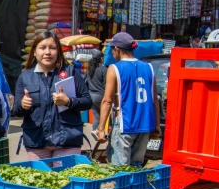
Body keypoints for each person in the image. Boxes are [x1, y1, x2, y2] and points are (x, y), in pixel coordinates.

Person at [13, 31, 92, 160]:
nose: (48, 52)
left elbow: (87, 101)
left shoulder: (70, 72)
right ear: (34, 51)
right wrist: (23, 105)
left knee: (65, 179)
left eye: (52, 48)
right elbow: (16, 111)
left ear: (58, 52)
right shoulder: (25, 77)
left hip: (67, 140)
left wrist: (68, 101)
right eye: (42, 48)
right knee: (42, 180)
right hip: (37, 142)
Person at [97, 32, 161, 166]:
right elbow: (154, 99)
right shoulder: (149, 67)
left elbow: (107, 100)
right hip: (145, 124)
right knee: (136, 166)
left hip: (125, 124)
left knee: (120, 168)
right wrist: (156, 125)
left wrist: (101, 128)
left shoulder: (114, 69)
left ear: (117, 50)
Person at [86, 49, 107, 130]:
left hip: (91, 96)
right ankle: (104, 134)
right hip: (101, 96)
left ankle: (95, 133)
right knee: (105, 117)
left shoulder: (89, 69)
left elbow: (85, 82)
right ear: (100, 59)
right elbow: (106, 84)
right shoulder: (103, 69)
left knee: (96, 117)